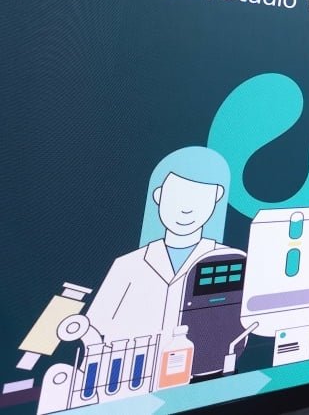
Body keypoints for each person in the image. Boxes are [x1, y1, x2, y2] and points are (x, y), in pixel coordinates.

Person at [87, 146, 236, 342]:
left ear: (215, 201)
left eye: (200, 198)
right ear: (158, 195)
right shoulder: (127, 265)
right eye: (178, 195)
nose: (186, 209)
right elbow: (92, 331)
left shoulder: (230, 261)